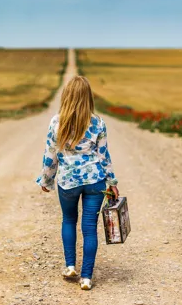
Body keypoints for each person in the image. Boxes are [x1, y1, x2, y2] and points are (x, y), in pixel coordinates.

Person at [36, 75, 119, 291]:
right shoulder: (98, 122)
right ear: (88, 98)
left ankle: (70, 265)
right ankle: (86, 278)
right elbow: (104, 156)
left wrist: (46, 179)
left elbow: (50, 155)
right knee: (90, 229)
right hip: (95, 181)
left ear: (67, 96)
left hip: (68, 182)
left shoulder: (57, 121)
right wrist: (112, 181)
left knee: (69, 220)